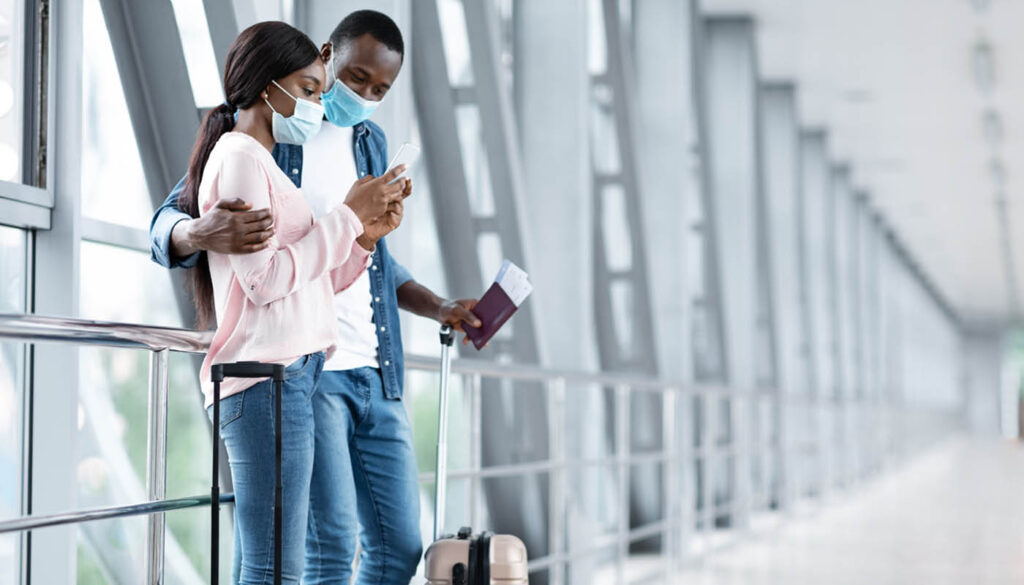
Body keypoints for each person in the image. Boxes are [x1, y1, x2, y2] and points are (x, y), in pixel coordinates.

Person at [149, 11, 482, 585]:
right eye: (354, 80)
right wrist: (198, 232)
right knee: (318, 547)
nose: (363, 97)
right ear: (328, 56)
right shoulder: (266, 134)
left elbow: (363, 255)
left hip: (374, 367)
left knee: (399, 547)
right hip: (305, 368)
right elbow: (172, 220)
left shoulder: (371, 144)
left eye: (380, 90)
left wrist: (434, 301)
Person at [177, 21, 408, 584]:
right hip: (268, 382)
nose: (317, 102)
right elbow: (264, 281)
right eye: (310, 89)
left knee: (275, 562)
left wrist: (364, 239)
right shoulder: (241, 159)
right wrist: (347, 218)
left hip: (293, 376)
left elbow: (311, 277)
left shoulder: (269, 158)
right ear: (267, 87)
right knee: (279, 563)